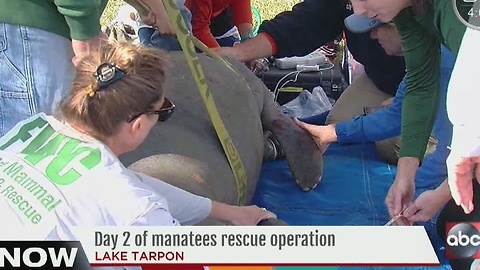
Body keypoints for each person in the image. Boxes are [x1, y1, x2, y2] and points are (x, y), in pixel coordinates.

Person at [0, 42, 275, 240]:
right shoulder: (136, 211)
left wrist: (229, 213)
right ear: (138, 125)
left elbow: (132, 184)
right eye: (163, 111)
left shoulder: (31, 130)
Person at [296, 45, 456, 225]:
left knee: (454, 230)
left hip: (466, 164)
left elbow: (460, 153)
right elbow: (397, 116)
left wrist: (439, 194)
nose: (372, 37)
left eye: (379, 26)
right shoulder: (424, 57)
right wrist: (332, 133)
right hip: (460, 157)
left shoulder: (451, 67)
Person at [348, 0, 468, 224]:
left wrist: (443, 193)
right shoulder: (405, 9)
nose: (359, 10)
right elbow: (421, 84)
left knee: (463, 237)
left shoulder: (461, 14)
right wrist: (405, 174)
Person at [0, 0, 183, 138]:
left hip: (37, 23)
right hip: (29, 25)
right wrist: (85, 30)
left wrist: (156, 7)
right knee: (37, 151)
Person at [215, 0, 406, 125]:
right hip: (383, 81)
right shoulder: (346, 6)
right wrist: (238, 52)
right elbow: (305, 23)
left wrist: (409, 101)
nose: (357, 10)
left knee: (394, 143)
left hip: (430, 86)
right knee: (339, 125)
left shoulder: (432, 16)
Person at [185, 0, 254, 48]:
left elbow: (241, 4)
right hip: (188, 28)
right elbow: (198, 29)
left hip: (222, 27)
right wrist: (223, 60)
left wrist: (248, 41)